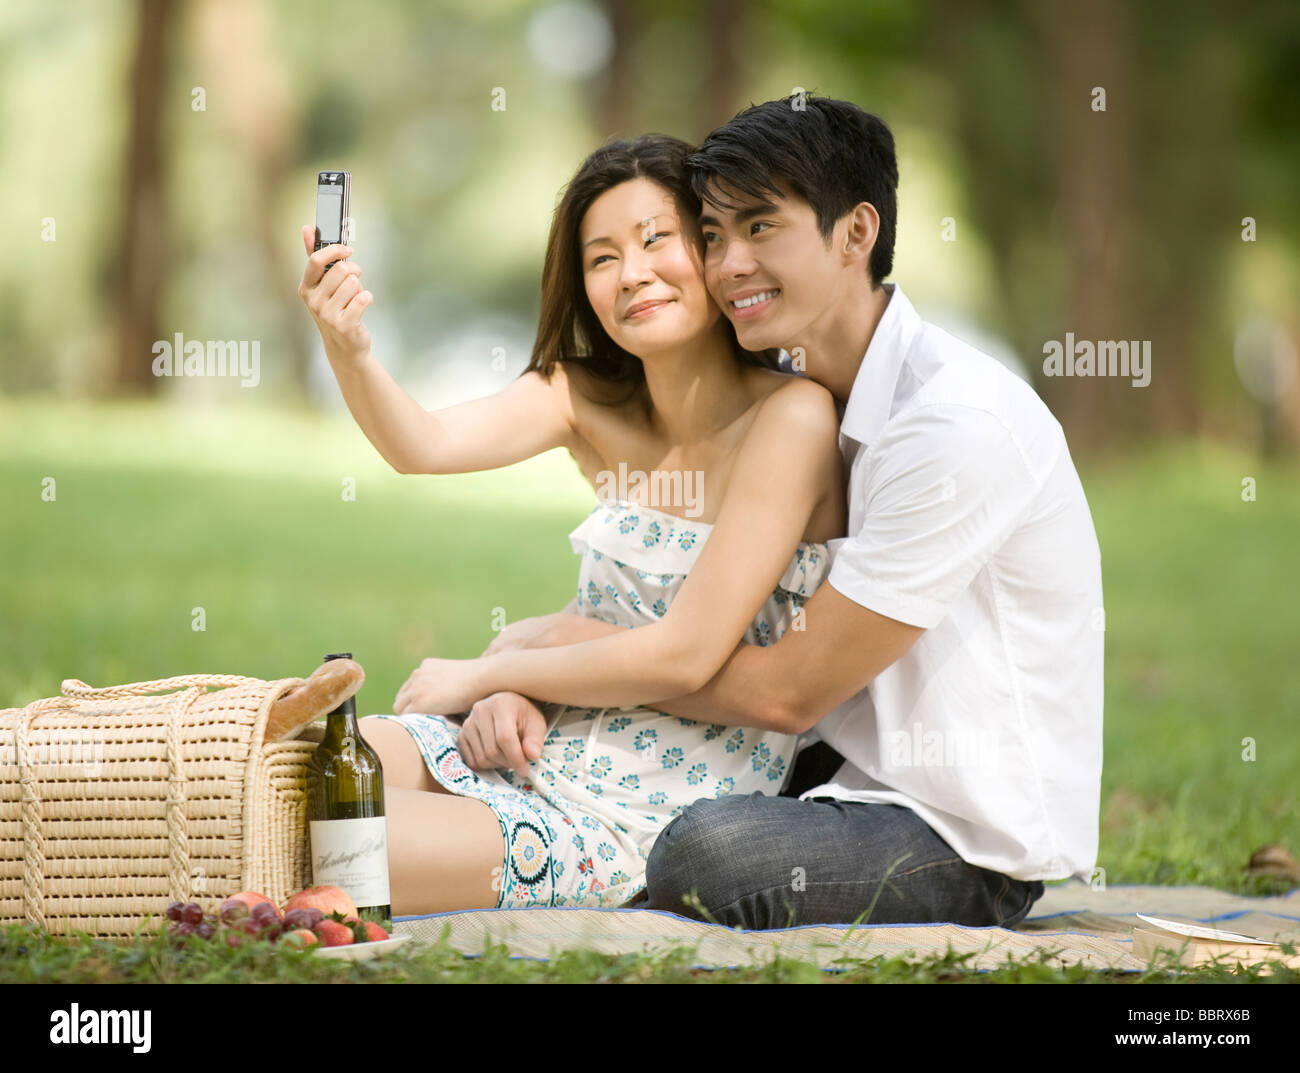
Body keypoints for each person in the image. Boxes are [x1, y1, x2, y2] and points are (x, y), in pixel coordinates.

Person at [459, 95, 1105, 931]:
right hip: (818, 777)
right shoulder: (806, 406)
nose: (729, 265)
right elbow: (710, 622)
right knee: (529, 762)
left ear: (855, 234)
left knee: (705, 852)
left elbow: (781, 691)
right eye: (715, 235)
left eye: (761, 228)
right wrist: (536, 684)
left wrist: (546, 653)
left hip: (957, 835)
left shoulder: (952, 427)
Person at [296, 133, 845, 914]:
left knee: (325, 844)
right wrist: (346, 346)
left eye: (658, 239)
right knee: (287, 769)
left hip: (638, 812)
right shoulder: (583, 397)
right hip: (528, 739)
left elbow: (685, 654)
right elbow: (421, 444)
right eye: (602, 257)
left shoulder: (792, 418)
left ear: (712, 251)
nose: (634, 273)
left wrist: (491, 672)